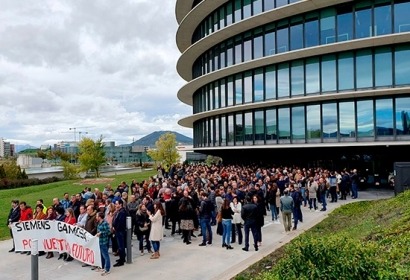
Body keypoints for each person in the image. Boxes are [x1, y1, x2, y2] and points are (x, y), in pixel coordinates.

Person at [112, 200, 127, 267]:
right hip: (117, 230)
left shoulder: (122, 212)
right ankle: (121, 258)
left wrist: (115, 227)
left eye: (116, 204)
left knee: (121, 246)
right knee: (119, 245)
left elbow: (121, 222)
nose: (115, 205)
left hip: (120, 231)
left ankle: (122, 260)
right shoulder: (118, 211)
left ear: (120, 204)